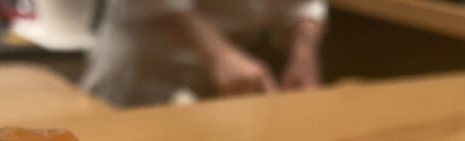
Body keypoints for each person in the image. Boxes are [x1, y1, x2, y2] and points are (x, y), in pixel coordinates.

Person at [82, 0, 328, 106]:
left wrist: (304, 54)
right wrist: (221, 56)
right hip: (143, 59)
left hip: (219, 79)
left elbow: (306, 4)